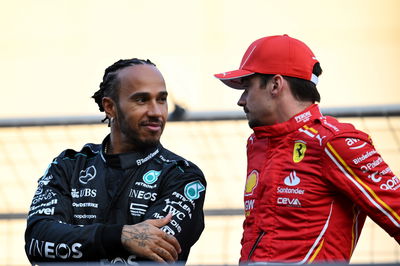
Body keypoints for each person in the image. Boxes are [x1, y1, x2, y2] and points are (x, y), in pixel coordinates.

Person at [214, 34, 400, 263]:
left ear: (275, 84)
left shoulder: (334, 141)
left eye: (247, 88)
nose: (241, 101)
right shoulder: (258, 143)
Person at [25, 58, 206, 264]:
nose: (156, 112)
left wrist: (78, 239)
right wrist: (121, 236)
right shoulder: (68, 166)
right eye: (141, 100)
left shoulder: (182, 176)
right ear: (110, 107)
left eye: (161, 99)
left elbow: (154, 253)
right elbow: (37, 240)